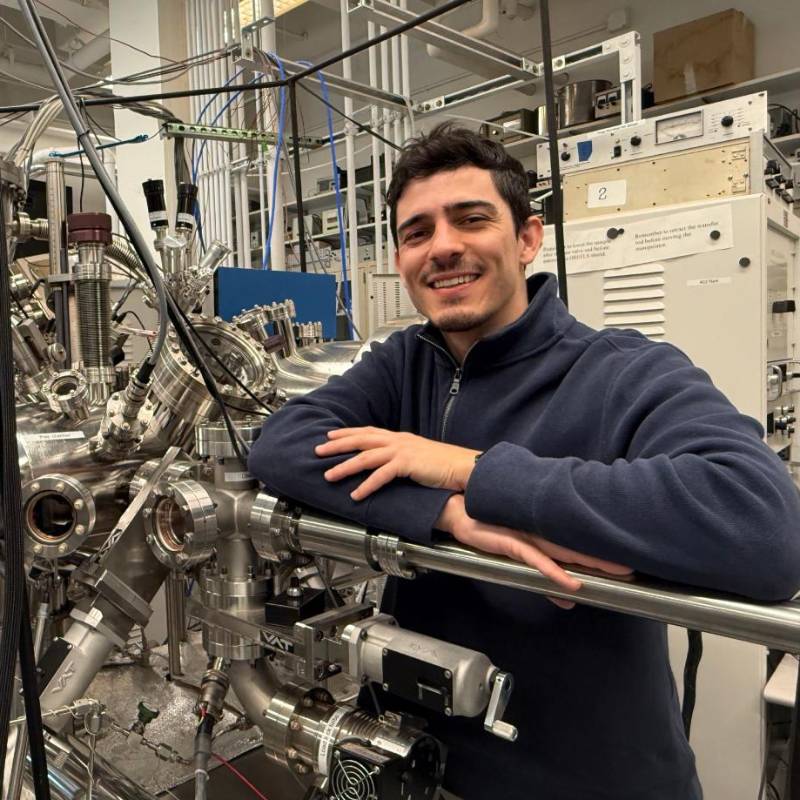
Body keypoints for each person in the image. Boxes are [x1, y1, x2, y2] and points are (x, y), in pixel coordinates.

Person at [248, 123, 800, 800]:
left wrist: (470, 472)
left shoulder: (621, 371)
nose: (443, 246)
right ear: (400, 260)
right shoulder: (402, 367)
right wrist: (448, 514)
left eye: (471, 219)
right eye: (417, 232)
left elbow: (764, 524)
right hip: (420, 764)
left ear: (528, 238)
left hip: (589, 780)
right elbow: (281, 442)